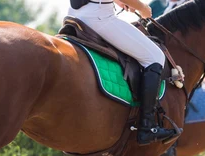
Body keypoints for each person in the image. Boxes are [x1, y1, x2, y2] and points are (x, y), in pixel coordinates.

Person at [68, 0, 177, 145]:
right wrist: (142, 8)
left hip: (74, 14)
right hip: (99, 16)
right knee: (155, 57)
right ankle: (147, 126)